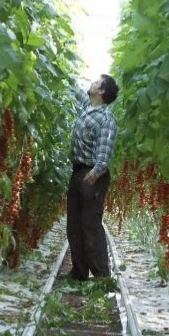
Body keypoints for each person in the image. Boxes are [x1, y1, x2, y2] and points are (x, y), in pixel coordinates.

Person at [66, 74, 119, 281]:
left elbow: (105, 150)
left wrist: (95, 173)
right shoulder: (87, 108)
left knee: (91, 225)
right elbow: (77, 90)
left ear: (102, 91)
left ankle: (101, 277)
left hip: (92, 175)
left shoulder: (106, 118)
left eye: (96, 82)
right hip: (78, 171)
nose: (92, 82)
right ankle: (79, 272)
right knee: (74, 224)